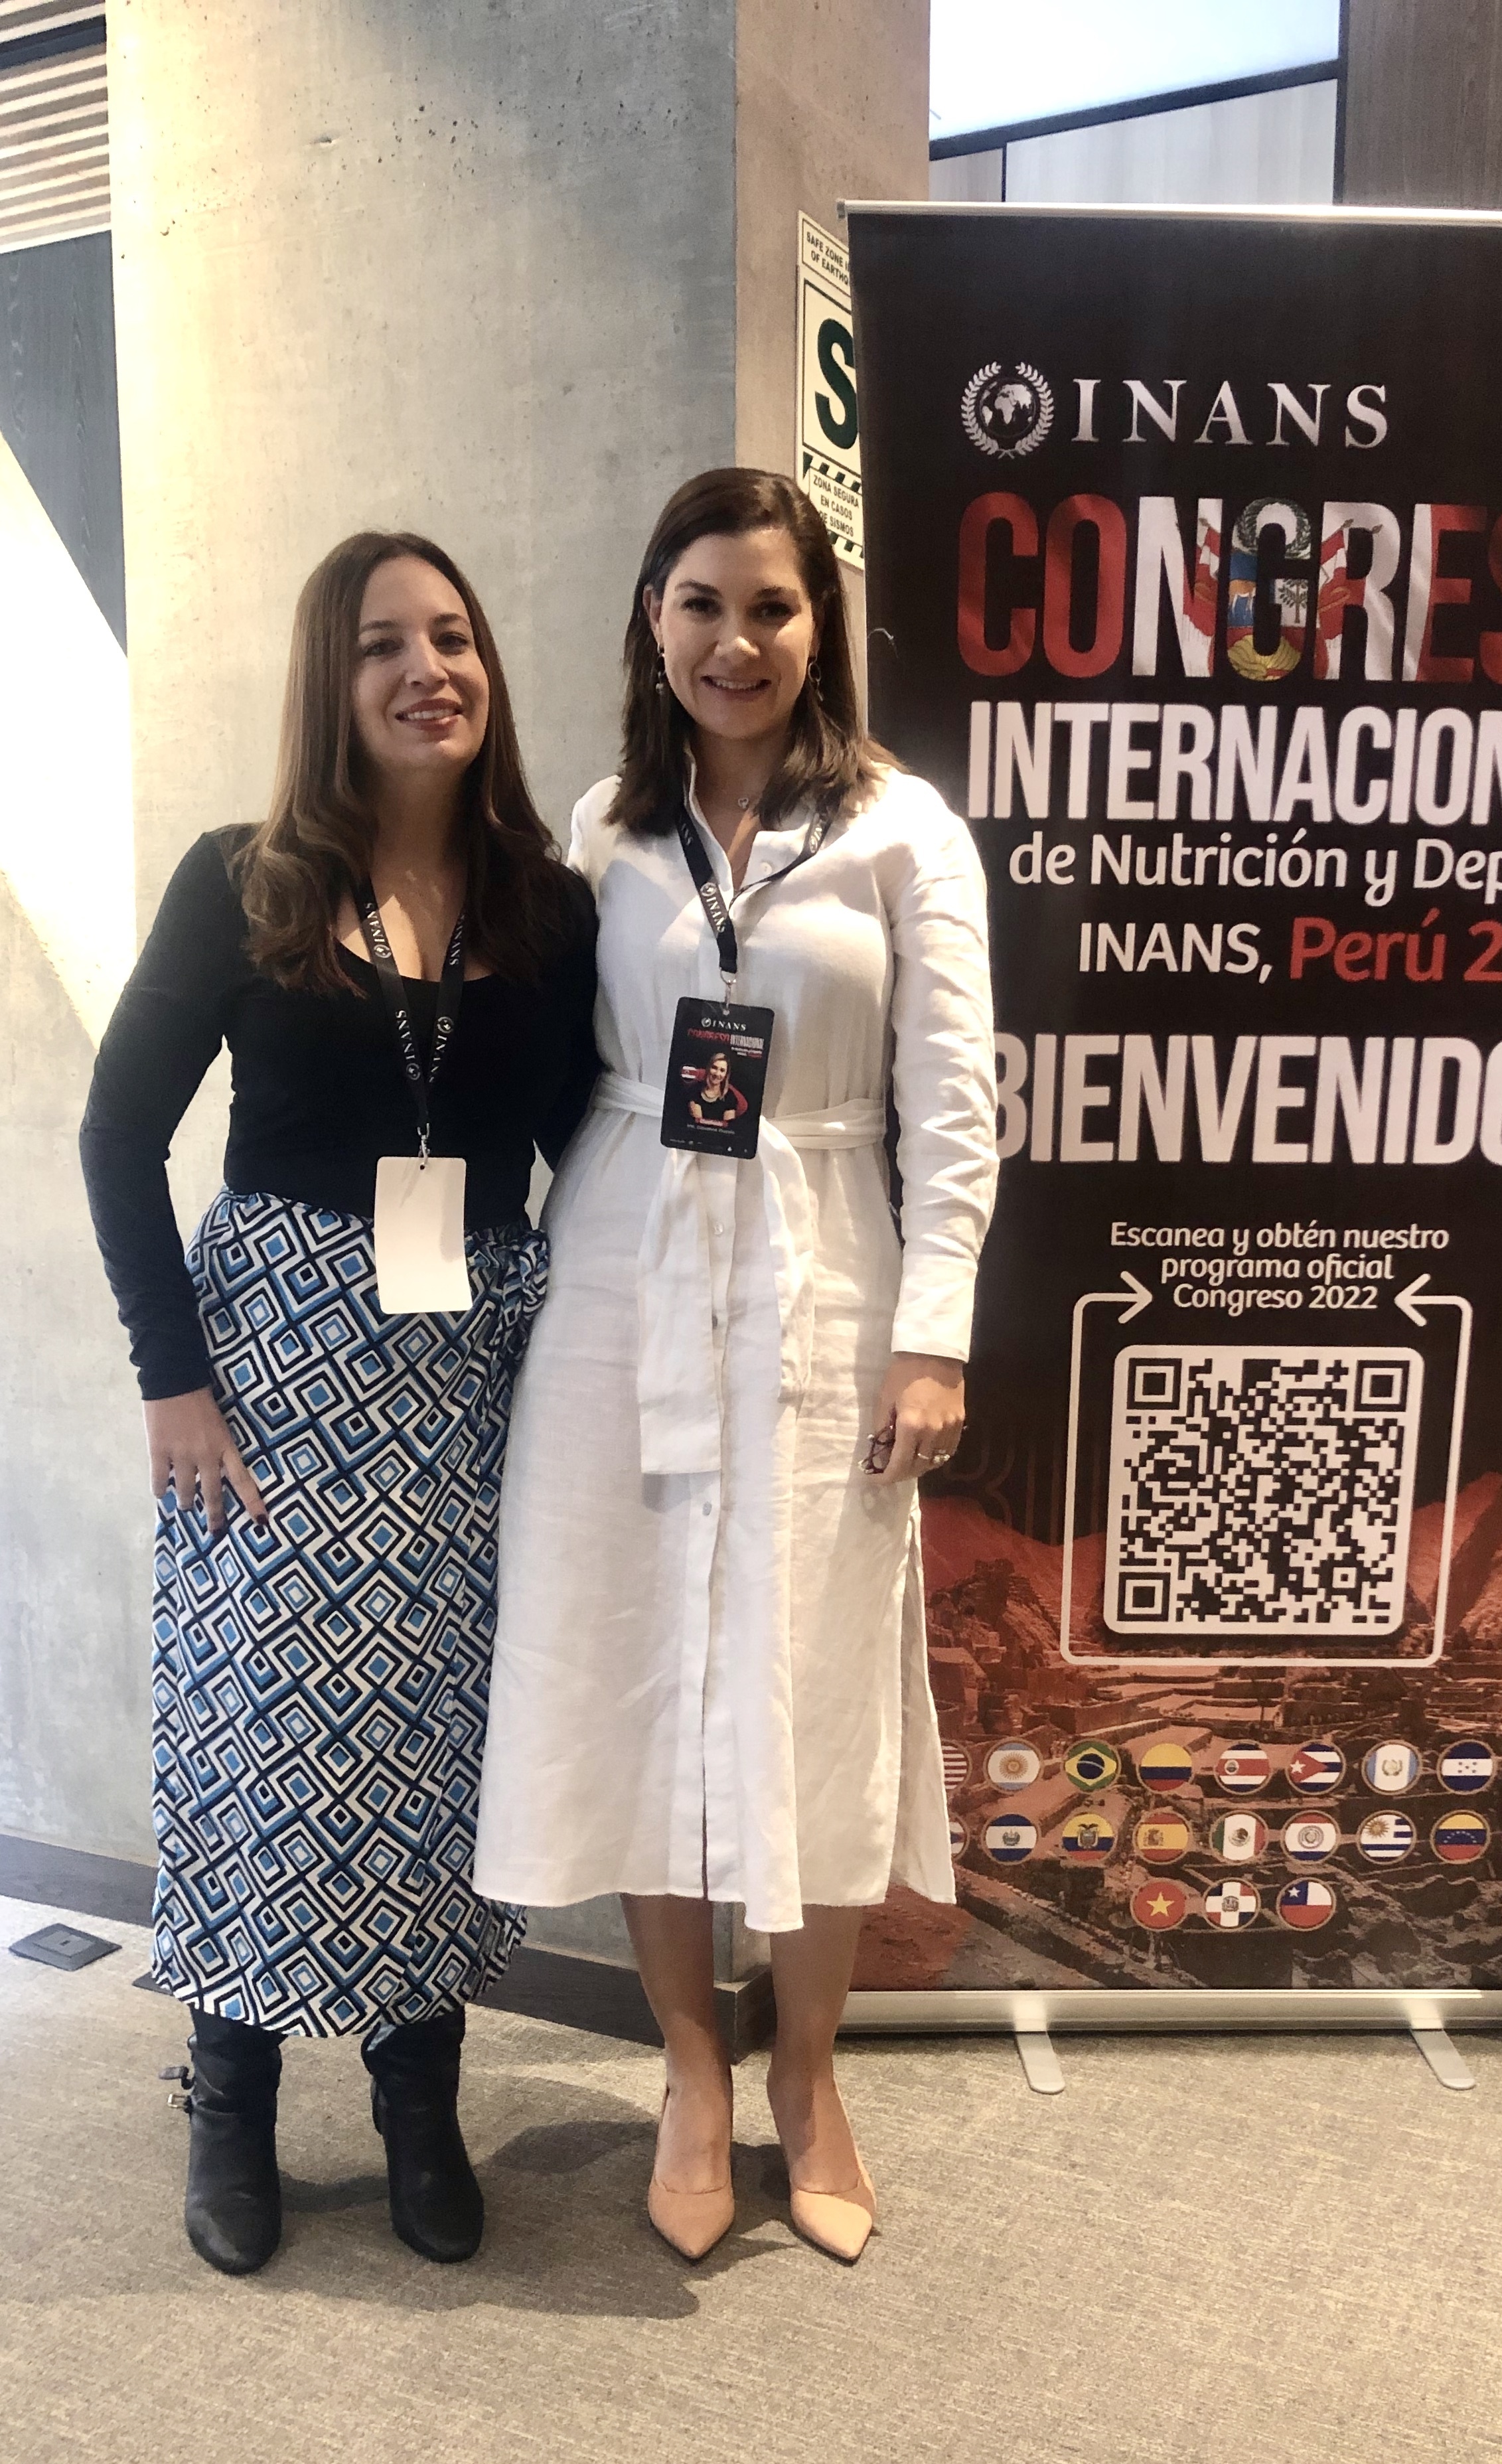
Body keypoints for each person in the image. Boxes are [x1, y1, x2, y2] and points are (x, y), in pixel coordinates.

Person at [475, 469, 998, 2265]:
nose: (736, 640)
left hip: (824, 1271)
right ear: (653, 618)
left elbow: (955, 1106)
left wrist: (934, 1338)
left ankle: (812, 2075)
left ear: (819, 622)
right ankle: (693, 2069)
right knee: (640, 1665)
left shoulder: (905, 832)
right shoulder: (605, 824)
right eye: (700, 603)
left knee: (816, 1676)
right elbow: (537, 1053)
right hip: (622, 1265)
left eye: (771, 605)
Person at [80, 532, 597, 2277]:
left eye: (453, 636)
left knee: (435, 1743)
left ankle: (416, 2102)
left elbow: (593, 1141)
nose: (426, 670)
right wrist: (170, 1376)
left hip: (467, 1388)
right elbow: (117, 1133)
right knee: (254, 1737)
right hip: (268, 1382)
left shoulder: (547, 909)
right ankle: (228, 2095)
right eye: (383, 643)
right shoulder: (247, 880)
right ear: (333, 677)